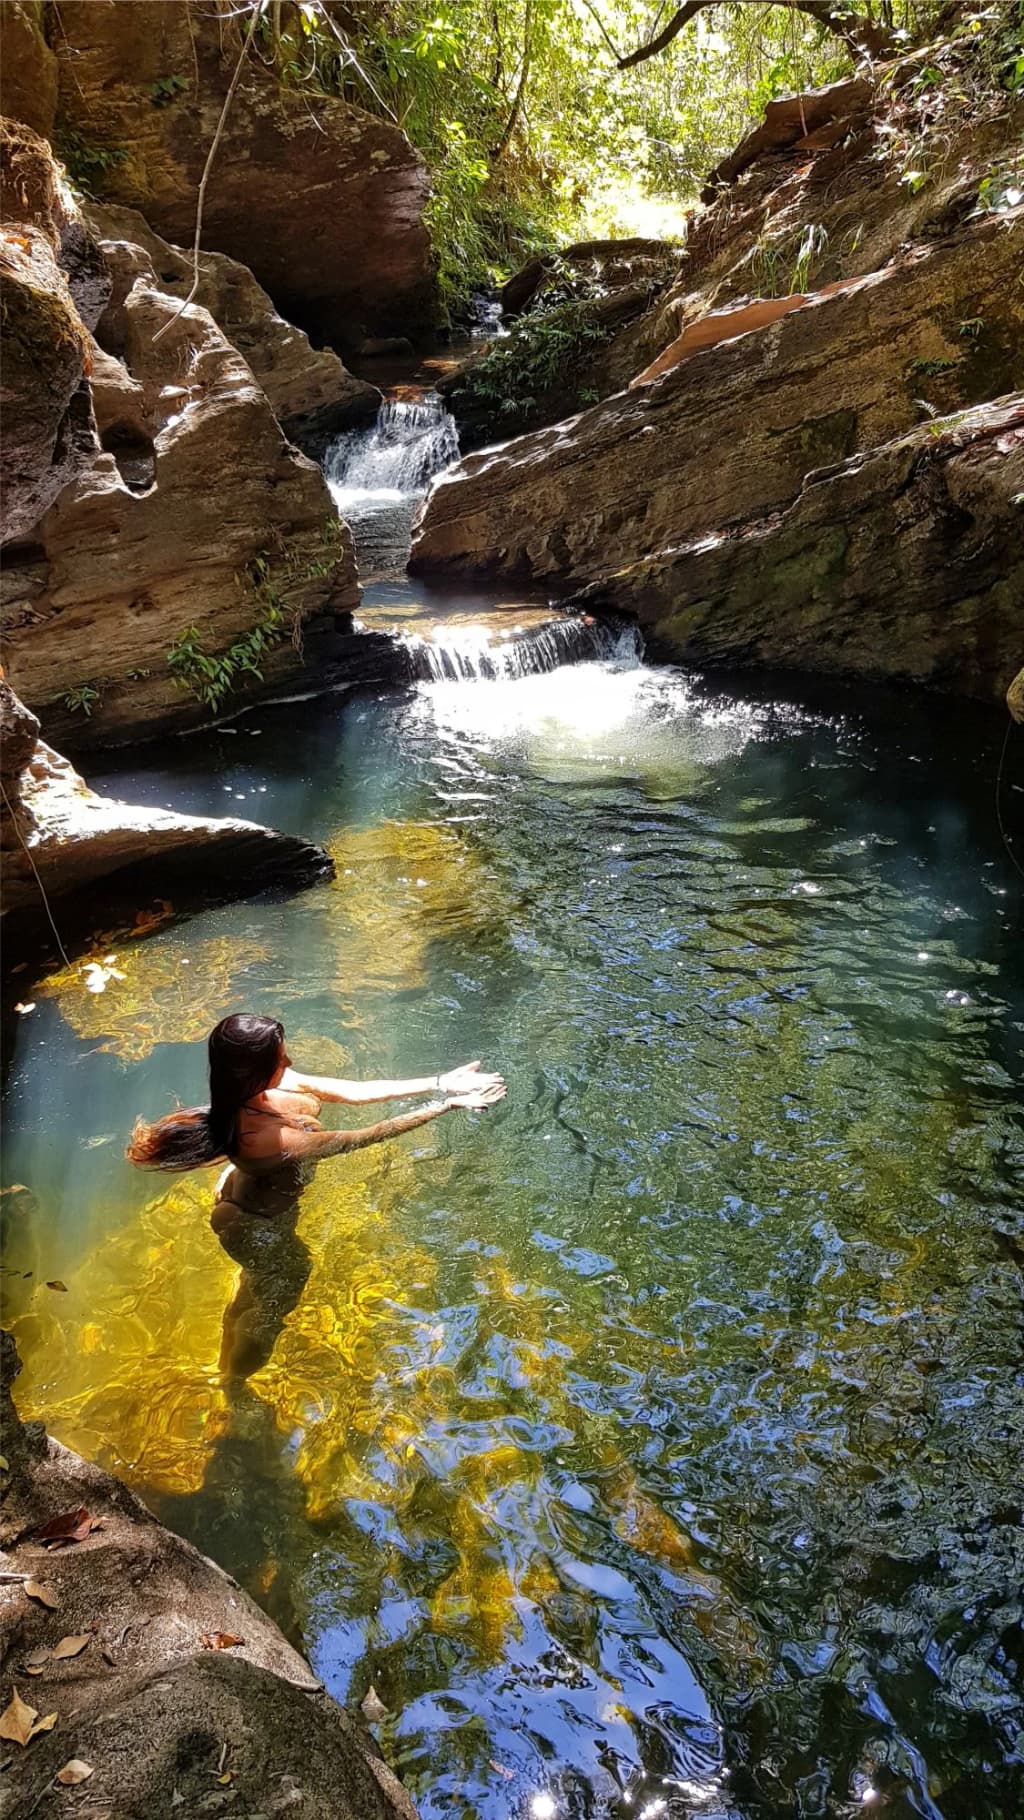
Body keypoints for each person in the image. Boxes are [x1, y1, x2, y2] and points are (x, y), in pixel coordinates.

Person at [126, 1012, 506, 1189]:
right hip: (261, 1214)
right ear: (253, 1072)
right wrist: (446, 1106)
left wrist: (440, 1082)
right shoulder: (267, 1139)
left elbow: (353, 1093)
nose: (290, 1064)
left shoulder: (270, 1086)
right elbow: (365, 1136)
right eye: (280, 1060)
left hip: (253, 1178)